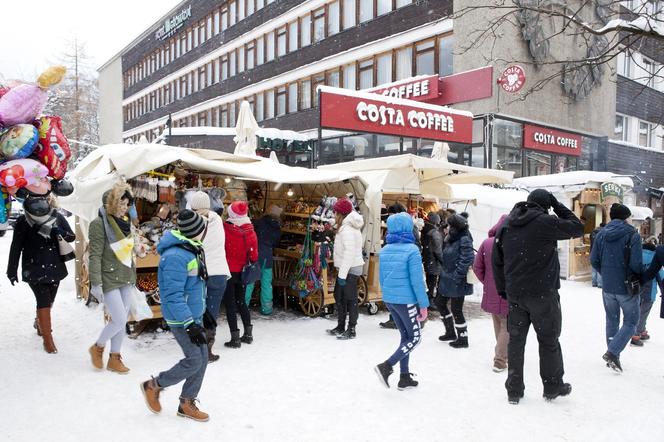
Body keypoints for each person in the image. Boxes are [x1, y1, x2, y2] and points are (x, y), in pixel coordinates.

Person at [493, 189, 583, 404]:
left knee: (516, 342)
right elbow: (577, 227)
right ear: (546, 205)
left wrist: (503, 289)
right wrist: (556, 204)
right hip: (542, 293)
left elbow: (497, 260)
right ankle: (552, 386)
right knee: (548, 340)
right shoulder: (545, 222)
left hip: (516, 294)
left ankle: (514, 390)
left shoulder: (507, 224)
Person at [140, 210, 210, 422]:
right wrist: (189, 324)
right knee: (194, 360)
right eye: (203, 229)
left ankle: (186, 402)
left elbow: (195, 285)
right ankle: (153, 385)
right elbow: (172, 295)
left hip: (192, 315)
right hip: (182, 319)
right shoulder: (176, 256)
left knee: (202, 358)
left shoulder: (191, 249)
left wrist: (201, 314)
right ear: (195, 232)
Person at [7, 195, 75, 354]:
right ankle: (48, 339)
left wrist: (60, 233)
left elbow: (72, 236)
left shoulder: (56, 217)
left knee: (50, 299)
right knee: (43, 300)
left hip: (55, 266)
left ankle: (39, 322)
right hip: (34, 268)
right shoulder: (23, 221)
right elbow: (16, 246)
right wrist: (11, 270)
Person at [374, 213, 429, 389]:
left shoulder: (385, 250)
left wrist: (389, 296)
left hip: (391, 300)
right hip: (407, 301)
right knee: (415, 338)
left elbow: (381, 279)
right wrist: (424, 305)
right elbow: (417, 281)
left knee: (406, 337)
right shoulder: (412, 250)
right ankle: (387, 366)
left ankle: (404, 377)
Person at [88, 183, 137, 373]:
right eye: (121, 204)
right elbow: (95, 255)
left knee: (122, 319)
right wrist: (96, 283)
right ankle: (98, 347)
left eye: (127, 204)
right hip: (108, 277)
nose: (125, 208)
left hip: (125, 274)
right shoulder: (98, 224)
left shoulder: (124, 223)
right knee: (117, 318)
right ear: (111, 204)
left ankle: (114, 358)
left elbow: (126, 250)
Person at [590, 203, 643, 373]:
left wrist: (606, 273)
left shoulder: (601, 234)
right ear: (625, 217)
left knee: (612, 319)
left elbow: (594, 260)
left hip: (608, 286)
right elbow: (636, 264)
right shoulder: (632, 234)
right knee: (632, 322)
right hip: (626, 286)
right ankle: (613, 352)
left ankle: (613, 354)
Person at [189, 191, 230, 363]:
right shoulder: (217, 220)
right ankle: (207, 349)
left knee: (197, 309)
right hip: (219, 272)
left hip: (202, 273)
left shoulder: (193, 224)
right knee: (212, 312)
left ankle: (197, 347)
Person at [473, 214, 509, 372]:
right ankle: (500, 360)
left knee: (498, 323)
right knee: (507, 326)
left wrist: (486, 281)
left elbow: (477, 267)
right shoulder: (512, 243)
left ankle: (502, 353)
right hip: (508, 290)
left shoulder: (487, 243)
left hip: (491, 290)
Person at [325, 198, 364, 340]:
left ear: (341, 214)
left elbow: (349, 253)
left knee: (350, 299)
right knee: (339, 296)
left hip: (350, 268)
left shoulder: (347, 229)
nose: (333, 215)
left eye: (335, 212)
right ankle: (341, 326)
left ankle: (351, 329)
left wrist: (342, 275)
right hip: (346, 267)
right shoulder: (345, 227)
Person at [436, 213, 475, 348]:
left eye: (450, 225)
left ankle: (463, 338)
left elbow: (467, 259)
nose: (447, 227)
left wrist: (457, 276)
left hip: (457, 280)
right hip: (447, 277)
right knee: (440, 303)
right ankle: (450, 332)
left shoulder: (464, 239)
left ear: (455, 226)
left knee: (456, 309)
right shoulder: (452, 238)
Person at [223, 201, 258, 348]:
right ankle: (248, 334)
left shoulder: (225, 229)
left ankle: (235, 338)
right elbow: (254, 256)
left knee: (230, 304)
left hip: (229, 271)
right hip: (243, 272)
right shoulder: (251, 230)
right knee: (241, 301)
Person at [379, 202, 420, 329]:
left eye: (391, 214)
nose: (389, 218)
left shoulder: (409, 227)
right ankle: (396, 319)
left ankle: (407, 320)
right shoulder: (398, 226)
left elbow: (415, 245)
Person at [245, 204, 283, 315]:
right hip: (267, 256)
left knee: (250, 282)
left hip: (255, 254)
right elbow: (276, 242)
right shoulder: (277, 227)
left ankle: (244, 306)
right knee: (266, 283)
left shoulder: (258, 223)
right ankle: (266, 308)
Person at [632, 236, 663, 346]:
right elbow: (661, 276)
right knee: (644, 313)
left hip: (636, 288)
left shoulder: (637, 256)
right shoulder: (656, 258)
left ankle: (641, 330)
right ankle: (636, 334)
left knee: (636, 310)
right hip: (649, 291)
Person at [421, 212, 444, 307]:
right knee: (432, 282)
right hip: (433, 261)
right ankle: (429, 301)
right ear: (436, 222)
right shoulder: (435, 233)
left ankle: (425, 300)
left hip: (425, 259)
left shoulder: (423, 229)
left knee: (425, 282)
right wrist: (443, 261)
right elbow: (438, 251)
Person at [590, 223, 605, 288]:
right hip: (600, 252)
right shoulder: (603, 233)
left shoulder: (593, 232)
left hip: (592, 251)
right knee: (599, 267)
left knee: (594, 267)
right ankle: (600, 283)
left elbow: (591, 241)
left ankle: (594, 282)